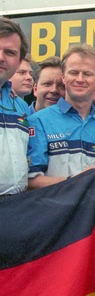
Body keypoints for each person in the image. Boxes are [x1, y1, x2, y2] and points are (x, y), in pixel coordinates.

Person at [27, 44, 95, 189]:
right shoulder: (39, 121)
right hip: (53, 211)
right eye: (73, 72)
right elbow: (30, 181)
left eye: (87, 74)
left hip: (93, 211)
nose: (80, 79)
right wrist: (76, 180)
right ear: (63, 77)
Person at [0, 17, 30, 196]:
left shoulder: (20, 107)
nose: (1, 58)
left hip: (15, 208)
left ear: (19, 62)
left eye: (10, 52)